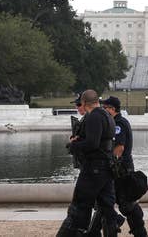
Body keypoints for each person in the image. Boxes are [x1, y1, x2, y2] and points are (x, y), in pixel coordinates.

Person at [57, 90, 118, 237]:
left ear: (84, 103)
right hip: (106, 166)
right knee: (106, 206)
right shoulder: (107, 115)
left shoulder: (94, 117)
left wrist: (73, 145)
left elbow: (92, 143)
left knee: (80, 205)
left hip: (94, 167)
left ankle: (75, 232)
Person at [101, 96, 148, 237]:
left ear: (112, 109)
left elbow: (119, 148)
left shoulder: (118, 124)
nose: (104, 111)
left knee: (125, 204)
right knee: (119, 203)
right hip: (123, 168)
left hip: (121, 170)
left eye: (105, 108)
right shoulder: (118, 122)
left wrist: (109, 164)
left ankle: (122, 224)